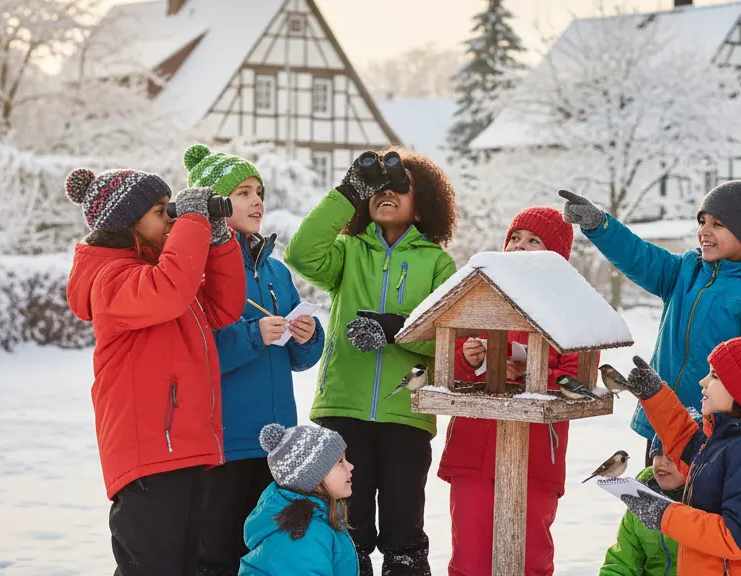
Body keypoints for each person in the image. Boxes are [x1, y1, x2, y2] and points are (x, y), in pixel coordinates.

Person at [283, 147, 458, 575]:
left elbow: (450, 340)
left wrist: (397, 330)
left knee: (404, 531)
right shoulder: (347, 252)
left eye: (401, 187)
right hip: (343, 411)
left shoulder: (438, 264)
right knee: (346, 527)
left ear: (424, 207)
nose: (387, 194)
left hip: (407, 417)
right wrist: (347, 191)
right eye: (376, 188)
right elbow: (301, 254)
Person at [64, 168, 245, 575]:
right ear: (126, 224)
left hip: (184, 446)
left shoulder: (157, 272)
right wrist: (193, 222)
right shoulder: (111, 279)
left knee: (183, 566)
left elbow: (222, 307)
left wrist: (215, 238)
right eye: (162, 212)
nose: (172, 219)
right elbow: (169, 291)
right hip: (149, 451)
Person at [180, 145, 326, 576]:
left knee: (268, 555)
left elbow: (302, 359)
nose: (257, 201)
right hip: (223, 444)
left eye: (259, 191)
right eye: (243, 192)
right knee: (218, 555)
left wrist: (307, 336)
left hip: (276, 443)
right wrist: (253, 334)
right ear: (214, 203)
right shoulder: (198, 267)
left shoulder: (276, 270)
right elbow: (196, 353)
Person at [558, 182, 741, 443]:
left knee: (698, 486)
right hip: (662, 416)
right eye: (702, 221)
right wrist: (599, 225)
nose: (704, 231)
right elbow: (639, 256)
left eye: (717, 224)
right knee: (652, 483)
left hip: (713, 431)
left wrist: (735, 424)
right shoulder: (685, 270)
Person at [438, 207, 577, 576]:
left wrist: (528, 371)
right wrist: (469, 358)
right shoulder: (481, 296)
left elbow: (576, 376)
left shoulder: (569, 309)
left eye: (535, 241)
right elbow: (449, 362)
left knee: (528, 555)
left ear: (557, 256)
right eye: (515, 238)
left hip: (534, 454)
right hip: (474, 450)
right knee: (469, 554)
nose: (520, 247)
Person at [619, 337, 741, 575]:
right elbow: (687, 443)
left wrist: (665, 515)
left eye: (715, 376)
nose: (703, 381)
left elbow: (735, 537)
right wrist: (655, 396)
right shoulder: (732, 438)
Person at [239, 423, 357, 575]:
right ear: (313, 476)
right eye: (339, 462)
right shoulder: (302, 535)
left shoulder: (317, 520)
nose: (351, 466)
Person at [599, 434, 688, 576]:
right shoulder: (641, 499)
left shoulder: (709, 503)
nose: (662, 463)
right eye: (658, 454)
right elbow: (623, 561)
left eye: (673, 455)